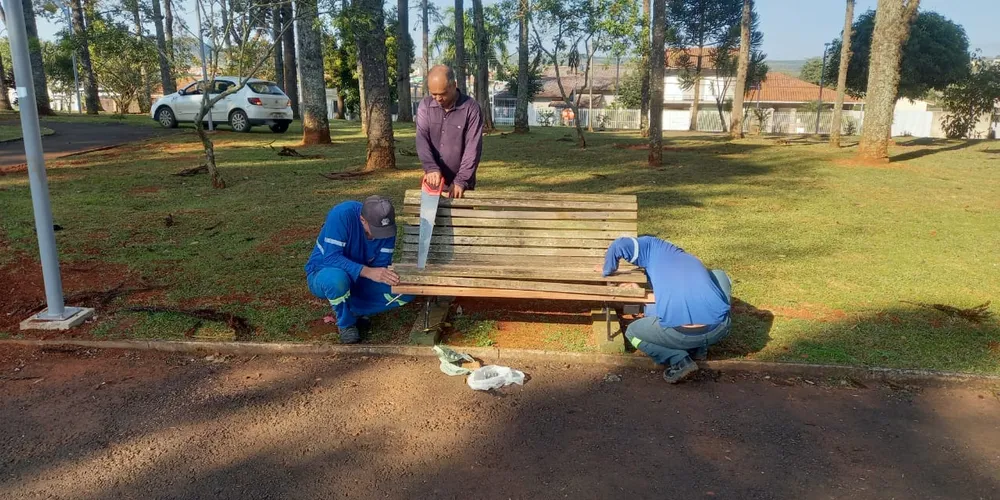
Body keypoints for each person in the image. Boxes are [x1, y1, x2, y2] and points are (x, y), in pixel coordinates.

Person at [602, 236, 732, 383]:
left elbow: (619, 245)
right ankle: (699, 349)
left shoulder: (651, 247)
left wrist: (607, 270)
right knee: (719, 275)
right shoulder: (690, 260)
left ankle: (679, 360)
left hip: (678, 333)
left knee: (632, 333)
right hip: (719, 329)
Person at [305, 196, 413, 344]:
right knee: (337, 280)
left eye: (385, 231)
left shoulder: (388, 229)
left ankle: (354, 309)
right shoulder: (342, 214)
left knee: (407, 289)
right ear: (362, 220)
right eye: (376, 230)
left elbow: (381, 265)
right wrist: (368, 272)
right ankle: (346, 324)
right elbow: (331, 258)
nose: (382, 236)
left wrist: (384, 276)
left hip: (361, 277)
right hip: (323, 271)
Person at [416, 65, 484, 199]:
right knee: (429, 213)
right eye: (433, 94)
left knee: (460, 214)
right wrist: (431, 168)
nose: (438, 99)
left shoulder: (471, 108)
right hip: (432, 182)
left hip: (461, 185)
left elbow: (473, 148)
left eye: (442, 94)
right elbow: (422, 140)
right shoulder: (425, 106)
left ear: (454, 85)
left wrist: (461, 180)